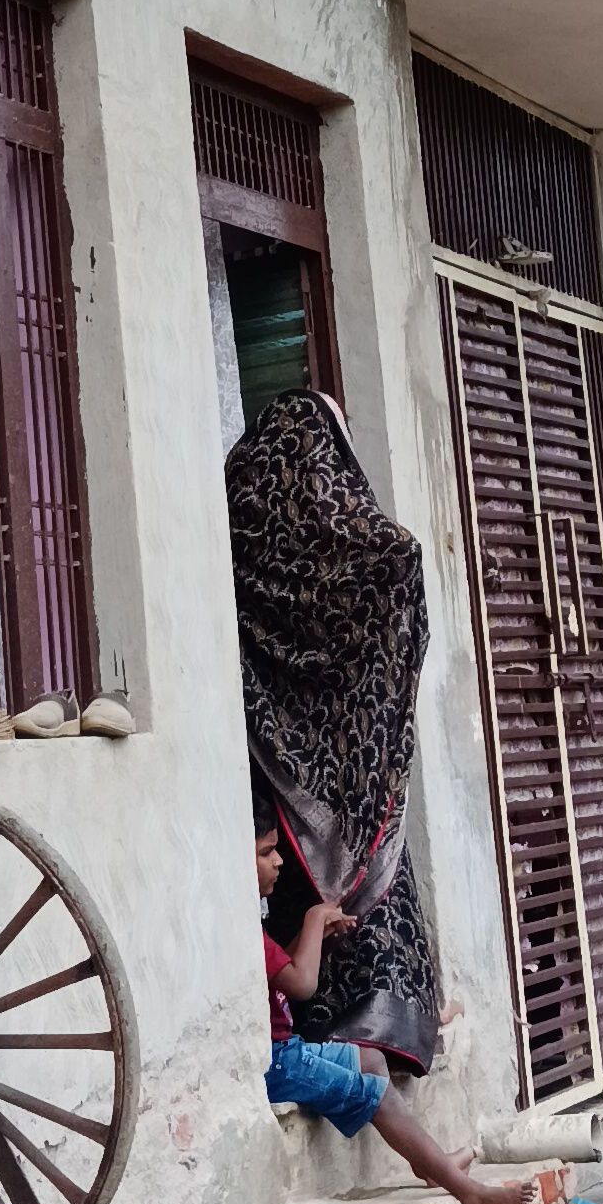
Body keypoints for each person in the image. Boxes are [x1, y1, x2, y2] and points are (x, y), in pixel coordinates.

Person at [226, 390, 441, 1071]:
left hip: (269, 743)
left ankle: (349, 1025)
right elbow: (392, 562)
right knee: (324, 861)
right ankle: (361, 1025)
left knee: (307, 870)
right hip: (309, 758)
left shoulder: (241, 502)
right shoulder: (324, 529)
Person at [256, 816, 532, 1204]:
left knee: (371, 1059)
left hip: (287, 1051)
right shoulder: (245, 932)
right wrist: (313, 920)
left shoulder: (253, 925)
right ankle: (472, 1196)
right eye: (266, 852)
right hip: (276, 1063)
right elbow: (301, 984)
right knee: (376, 1092)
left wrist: (317, 936)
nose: (279, 860)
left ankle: (430, 1165)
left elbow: (283, 969)